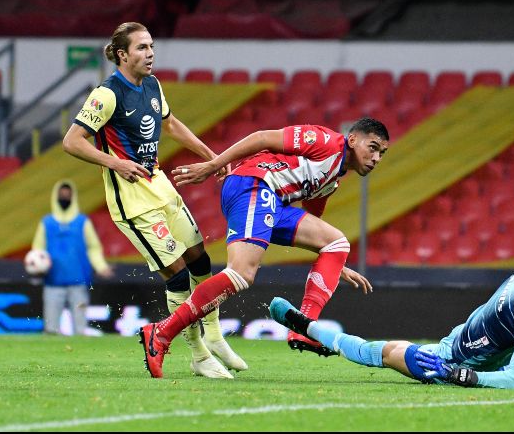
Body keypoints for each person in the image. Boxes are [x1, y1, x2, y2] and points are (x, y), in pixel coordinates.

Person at [268, 94, 514, 389]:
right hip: (455, 340)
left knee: (379, 351)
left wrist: (465, 377)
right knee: (397, 348)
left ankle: (308, 328)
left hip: (448, 364)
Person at [62, 21, 246, 379]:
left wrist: (212, 157)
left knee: (201, 261)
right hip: (134, 203)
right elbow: (73, 141)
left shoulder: (152, 85)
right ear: (122, 54)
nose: (150, 54)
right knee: (177, 277)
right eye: (142, 48)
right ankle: (198, 354)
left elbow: (172, 124)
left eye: (151, 47)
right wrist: (114, 162)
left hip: (161, 186)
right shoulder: (107, 94)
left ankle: (215, 334)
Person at [138, 117, 387, 378]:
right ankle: (162, 332)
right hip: (254, 184)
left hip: (275, 202)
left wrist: (334, 262)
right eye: (373, 147)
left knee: (336, 244)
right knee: (242, 273)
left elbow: (314, 222)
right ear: (353, 139)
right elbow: (261, 138)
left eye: (382, 152)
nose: (376, 157)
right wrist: (214, 165)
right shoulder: (325, 142)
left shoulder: (333, 178)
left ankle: (302, 327)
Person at [31, 180, 114, 335]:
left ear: (73, 197)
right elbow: (37, 250)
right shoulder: (46, 222)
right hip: (52, 282)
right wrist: (35, 267)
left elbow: (93, 248)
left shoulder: (82, 222)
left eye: (67, 195)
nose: (65, 197)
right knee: (50, 330)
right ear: (55, 197)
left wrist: (101, 267)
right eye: (61, 195)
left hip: (79, 282)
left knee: (80, 328)